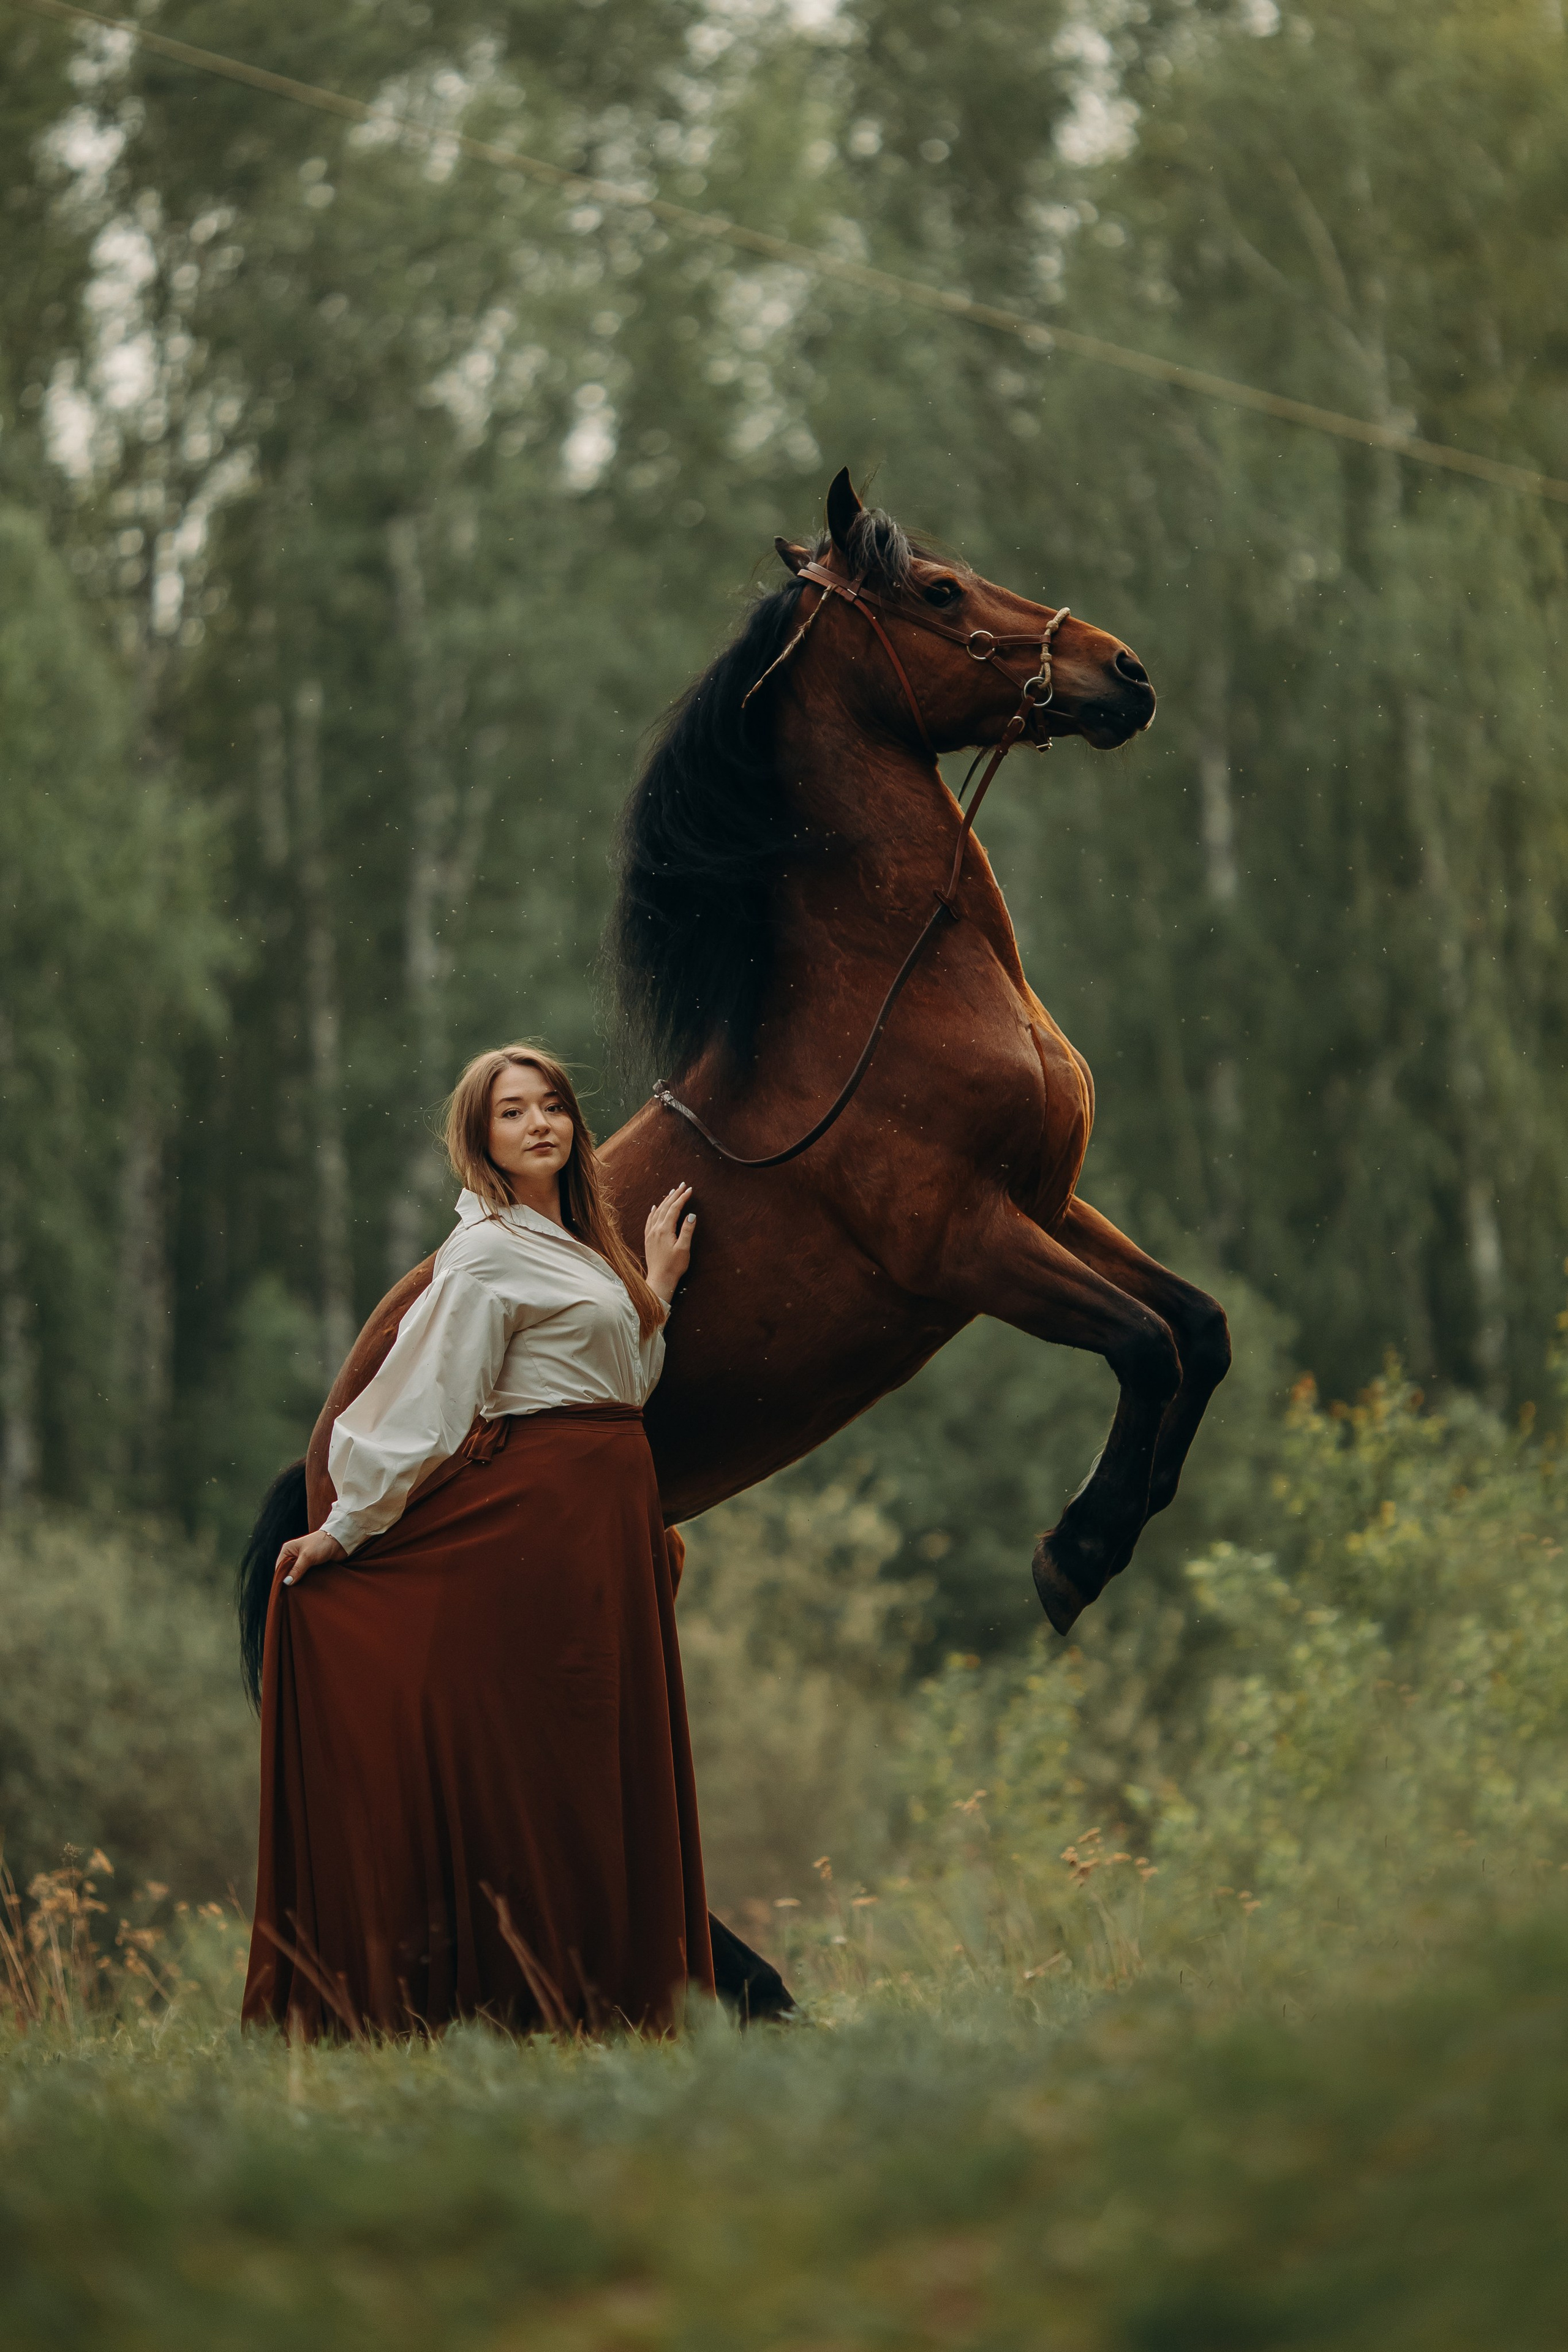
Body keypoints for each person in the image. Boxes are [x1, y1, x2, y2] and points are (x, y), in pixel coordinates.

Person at [242, 1043, 710, 2037]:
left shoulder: (577, 1246)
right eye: (512, 1112)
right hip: (541, 1527)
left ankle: (595, 1998)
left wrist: (653, 1288)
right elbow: (431, 1400)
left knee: (588, 1755)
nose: (539, 1124)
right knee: (547, 1752)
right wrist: (344, 1527)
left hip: (599, 1528)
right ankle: (502, 1997)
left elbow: (615, 1385)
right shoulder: (486, 1253)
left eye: (552, 1106)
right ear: (479, 1138)